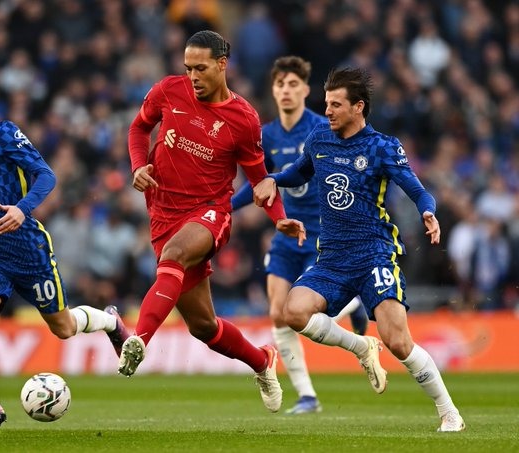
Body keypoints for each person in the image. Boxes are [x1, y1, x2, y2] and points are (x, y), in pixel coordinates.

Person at [253, 67, 465, 432]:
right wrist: (273, 178)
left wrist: (428, 212)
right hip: (332, 257)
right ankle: (360, 347)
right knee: (293, 312)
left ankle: (449, 413)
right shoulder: (320, 137)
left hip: (373, 254)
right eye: (326, 103)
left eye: (336, 105)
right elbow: (300, 172)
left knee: (398, 341)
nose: (327, 111)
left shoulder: (382, 147)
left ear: (358, 107)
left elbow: (417, 190)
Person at [0, 73, 130, 426]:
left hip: (28, 250)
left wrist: (22, 209)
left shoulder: (3, 134)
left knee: (63, 327)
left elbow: (46, 175)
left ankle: (111, 322)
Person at [120, 30, 306, 413]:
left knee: (174, 255)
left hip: (209, 212)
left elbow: (260, 181)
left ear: (222, 65)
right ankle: (262, 360)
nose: (192, 76)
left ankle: (139, 340)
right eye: (188, 68)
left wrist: (280, 219)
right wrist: (138, 166)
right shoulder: (168, 90)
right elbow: (138, 128)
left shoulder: (244, 119)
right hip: (163, 213)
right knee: (203, 326)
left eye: (200, 68)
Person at [231, 56, 368, 415]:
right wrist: (228, 207)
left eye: (293, 84)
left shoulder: (323, 128)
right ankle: (307, 396)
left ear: (306, 90)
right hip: (287, 233)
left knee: (305, 310)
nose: (286, 90)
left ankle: (353, 303)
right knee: (278, 313)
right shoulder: (267, 135)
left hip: (323, 234)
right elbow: (260, 182)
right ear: (274, 91)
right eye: (280, 84)